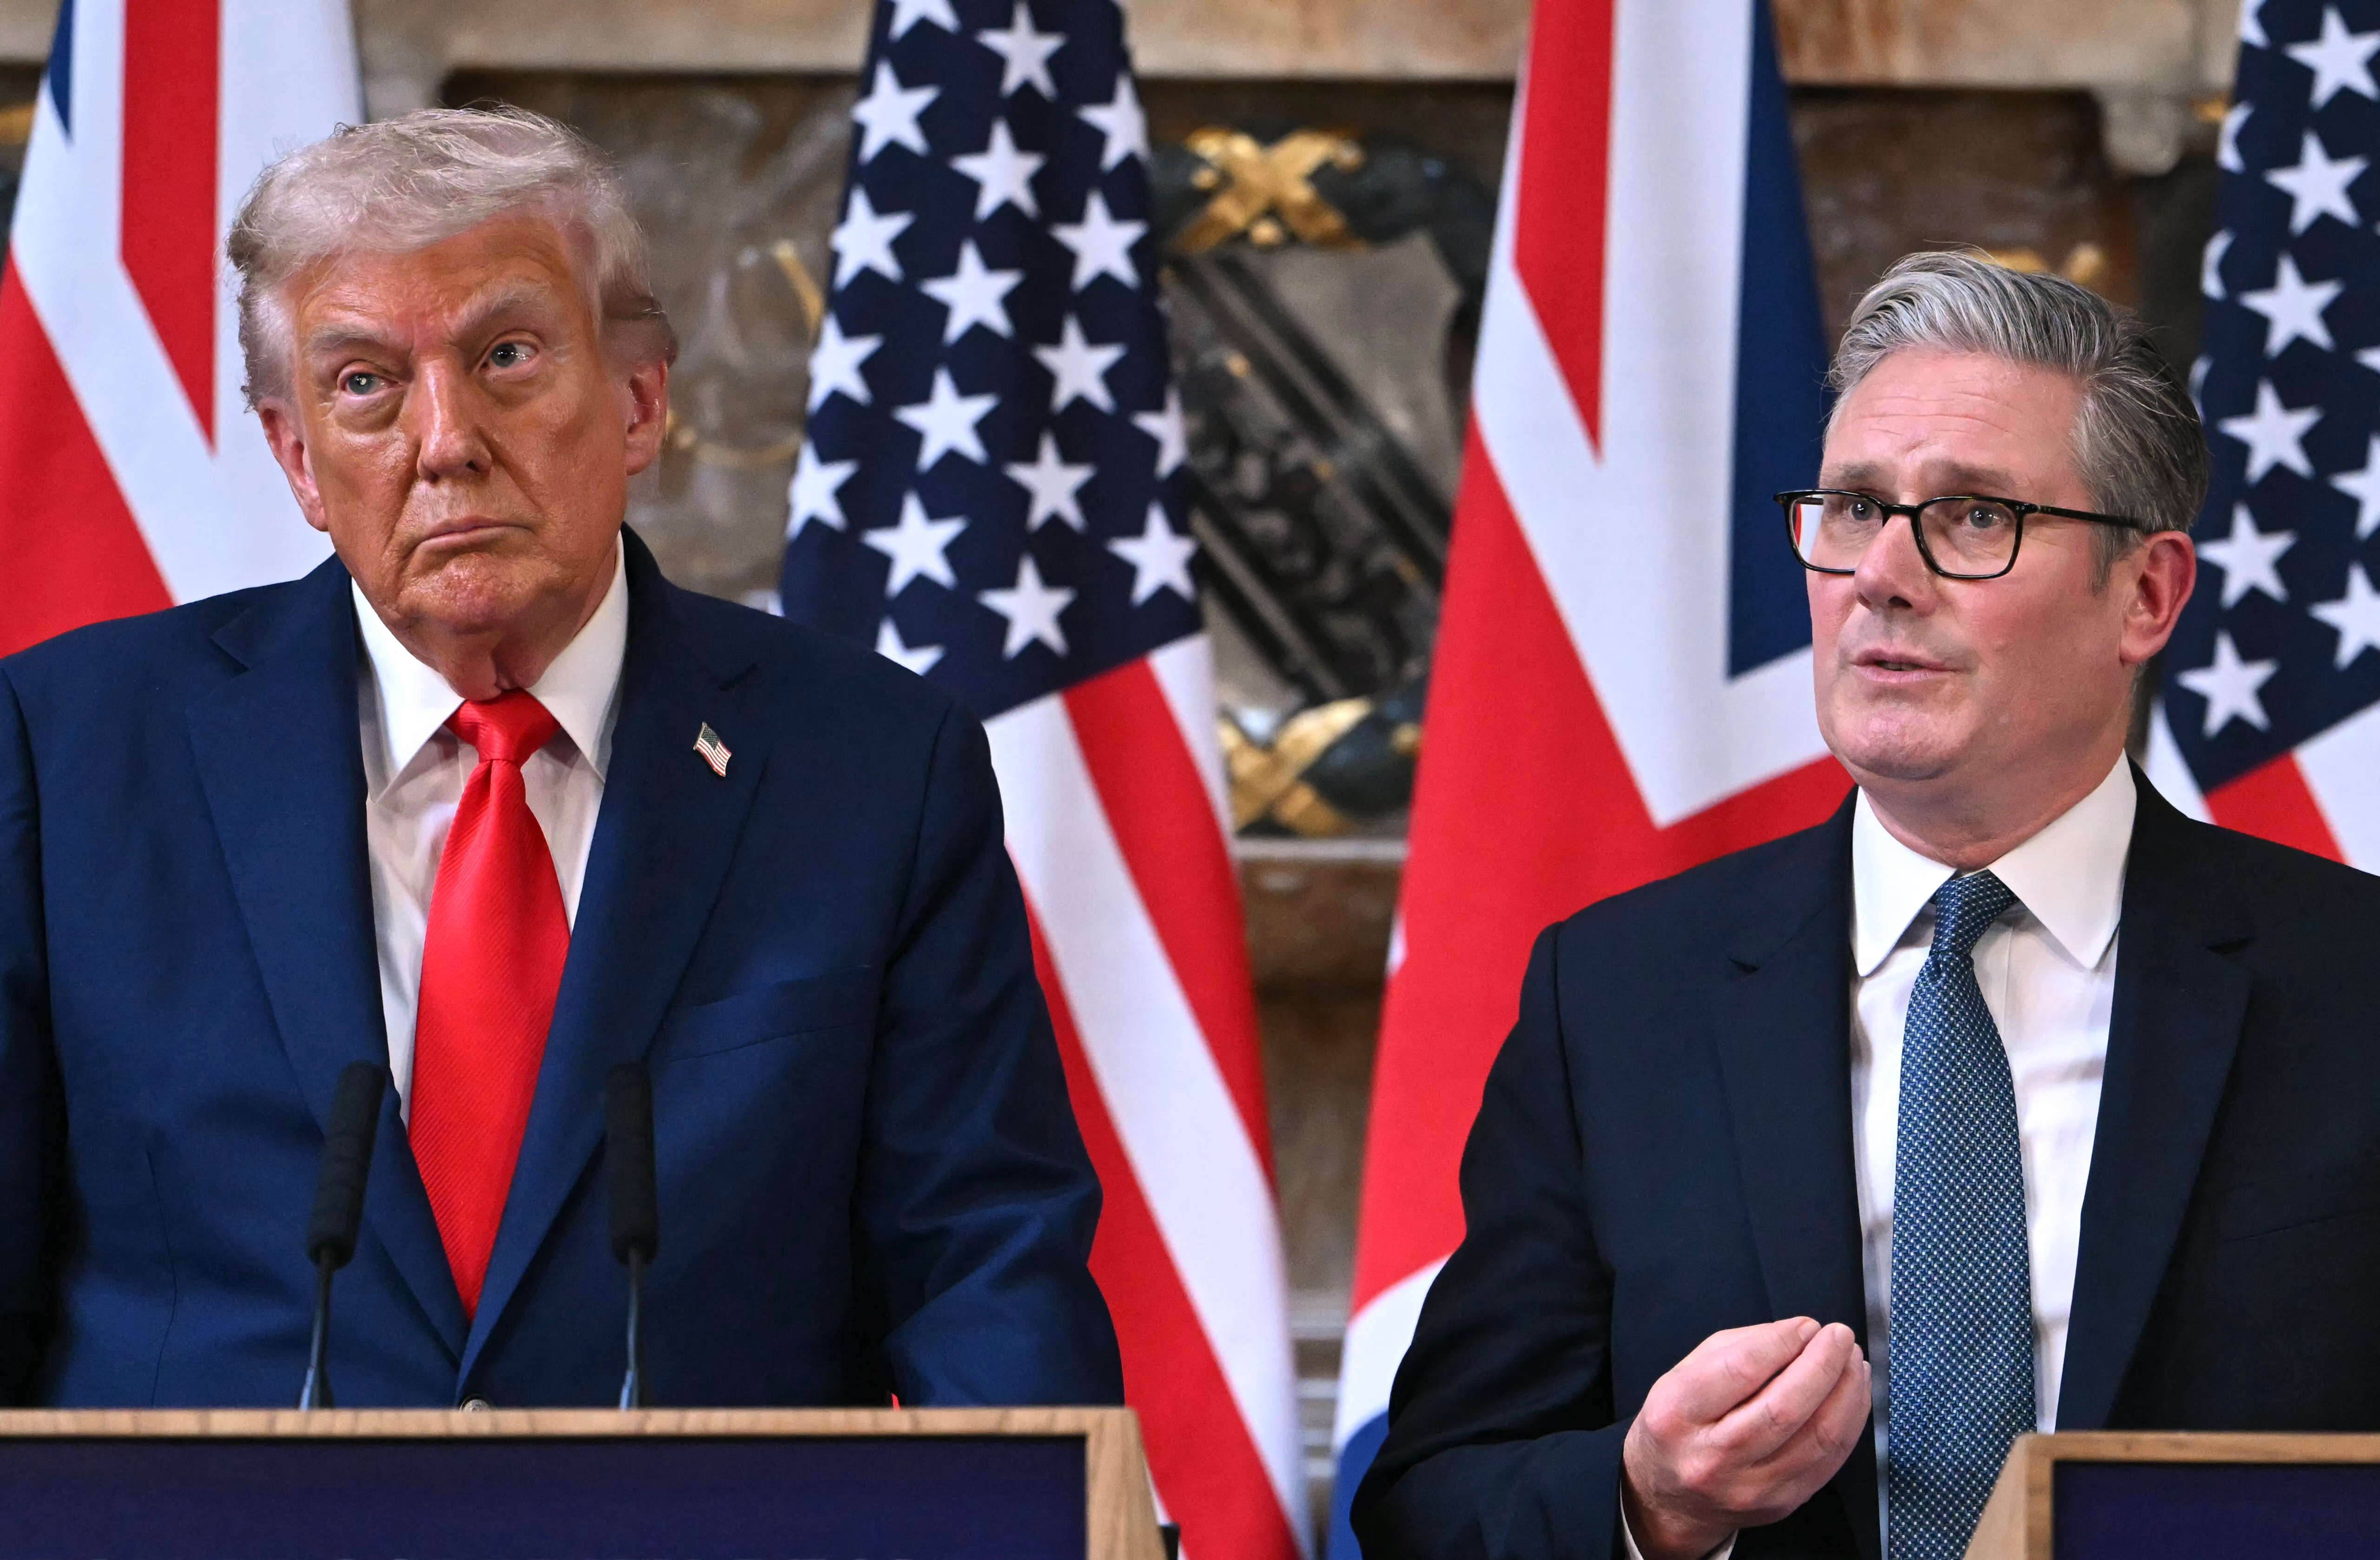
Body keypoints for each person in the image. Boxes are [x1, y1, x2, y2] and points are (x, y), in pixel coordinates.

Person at [0, 108, 1123, 1410]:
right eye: (363, 382)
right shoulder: (70, 753)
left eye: (507, 356)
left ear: (640, 401)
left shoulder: (874, 769)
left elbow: (983, 1278)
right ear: (298, 459)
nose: (445, 440)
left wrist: (1041, 1506)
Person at [1353, 251, 2380, 1560]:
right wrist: (1650, 1498)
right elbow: (1432, 1502)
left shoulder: (2355, 986)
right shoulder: (1617, 999)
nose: (1882, 575)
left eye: (1975, 516)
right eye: (1851, 508)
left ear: (2146, 595)